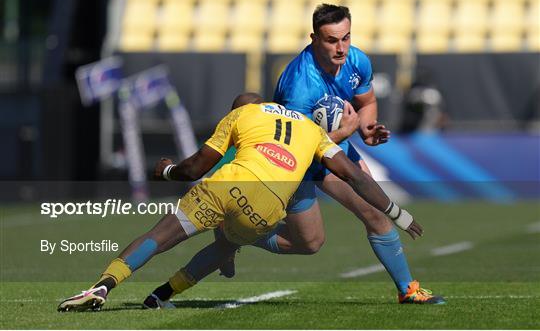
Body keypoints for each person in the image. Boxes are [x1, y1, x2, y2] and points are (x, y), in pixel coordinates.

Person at [57, 93, 429, 312]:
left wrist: (168, 171)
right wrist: (397, 213)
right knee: (229, 241)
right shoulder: (310, 127)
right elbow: (355, 176)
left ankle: (103, 286)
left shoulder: (241, 115)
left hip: (228, 185)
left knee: (160, 235)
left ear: (241, 108)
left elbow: (195, 168)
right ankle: (161, 295)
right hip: (265, 208)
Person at [221, 4, 445, 304]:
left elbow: (366, 101)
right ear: (314, 38)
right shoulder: (299, 86)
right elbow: (298, 145)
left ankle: (408, 290)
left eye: (346, 38)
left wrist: (366, 129)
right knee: (333, 231)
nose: (341, 48)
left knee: (344, 227)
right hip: (297, 160)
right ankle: (234, 233)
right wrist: (344, 133)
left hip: (333, 146)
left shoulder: (356, 60)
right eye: (331, 40)